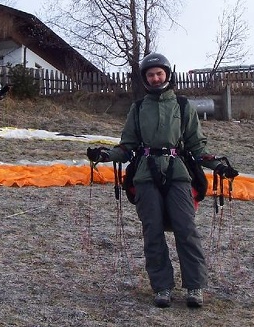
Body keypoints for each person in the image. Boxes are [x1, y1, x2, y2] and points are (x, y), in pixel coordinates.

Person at [86, 53, 239, 308]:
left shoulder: (182, 106)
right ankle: (162, 288)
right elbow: (127, 146)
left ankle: (194, 287)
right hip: (146, 174)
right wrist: (104, 155)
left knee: (186, 228)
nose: (155, 78)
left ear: (167, 75)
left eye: (159, 74)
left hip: (178, 172)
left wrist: (219, 166)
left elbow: (196, 146)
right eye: (150, 75)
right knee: (152, 231)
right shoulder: (138, 109)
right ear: (145, 79)